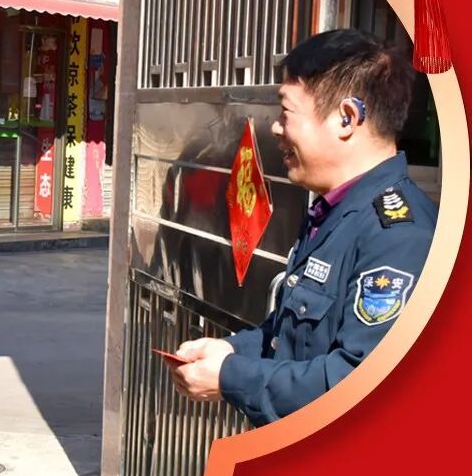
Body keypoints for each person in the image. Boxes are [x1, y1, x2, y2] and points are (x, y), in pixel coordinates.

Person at [171, 30, 436, 426]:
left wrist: (231, 377)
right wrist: (230, 352)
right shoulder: (335, 212)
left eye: (286, 112)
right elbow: (291, 338)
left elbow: (358, 384)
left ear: (347, 118)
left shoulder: (399, 237)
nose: (276, 128)